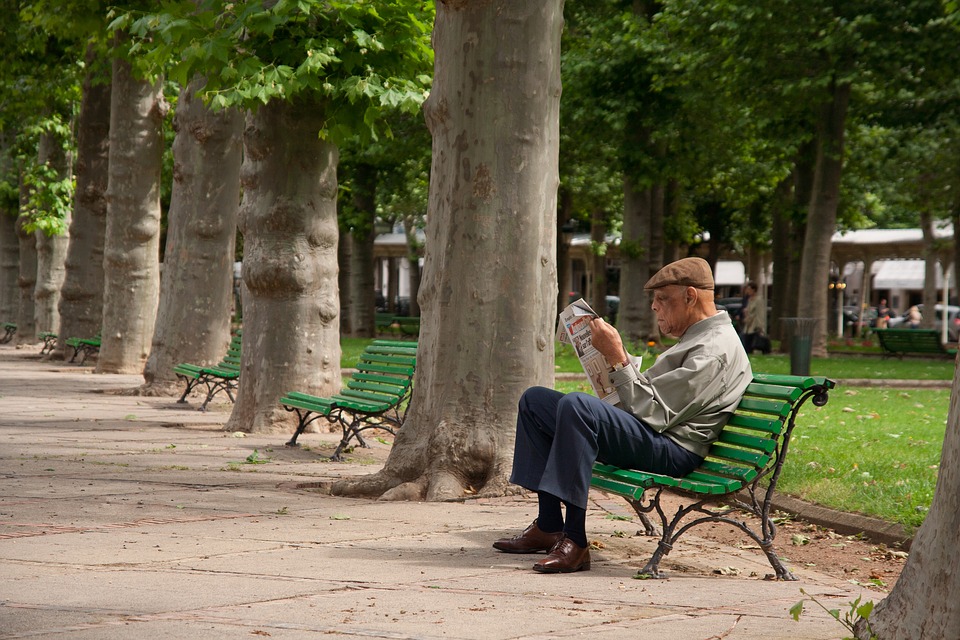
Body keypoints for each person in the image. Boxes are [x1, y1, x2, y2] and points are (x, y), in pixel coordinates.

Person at [492, 256, 753, 574]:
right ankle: (549, 525)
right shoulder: (698, 338)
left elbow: (655, 414)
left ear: (690, 296)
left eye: (662, 299)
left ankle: (575, 540)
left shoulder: (714, 349)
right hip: (655, 433)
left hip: (673, 448)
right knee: (536, 401)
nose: (655, 307)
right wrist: (614, 364)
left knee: (578, 406)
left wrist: (617, 357)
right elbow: (652, 399)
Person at [739, 281, 769, 354]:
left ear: (753, 290)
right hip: (748, 323)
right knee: (746, 340)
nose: (747, 291)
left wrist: (760, 326)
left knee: (752, 339)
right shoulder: (749, 299)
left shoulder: (758, 300)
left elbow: (760, 313)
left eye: (749, 289)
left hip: (754, 324)